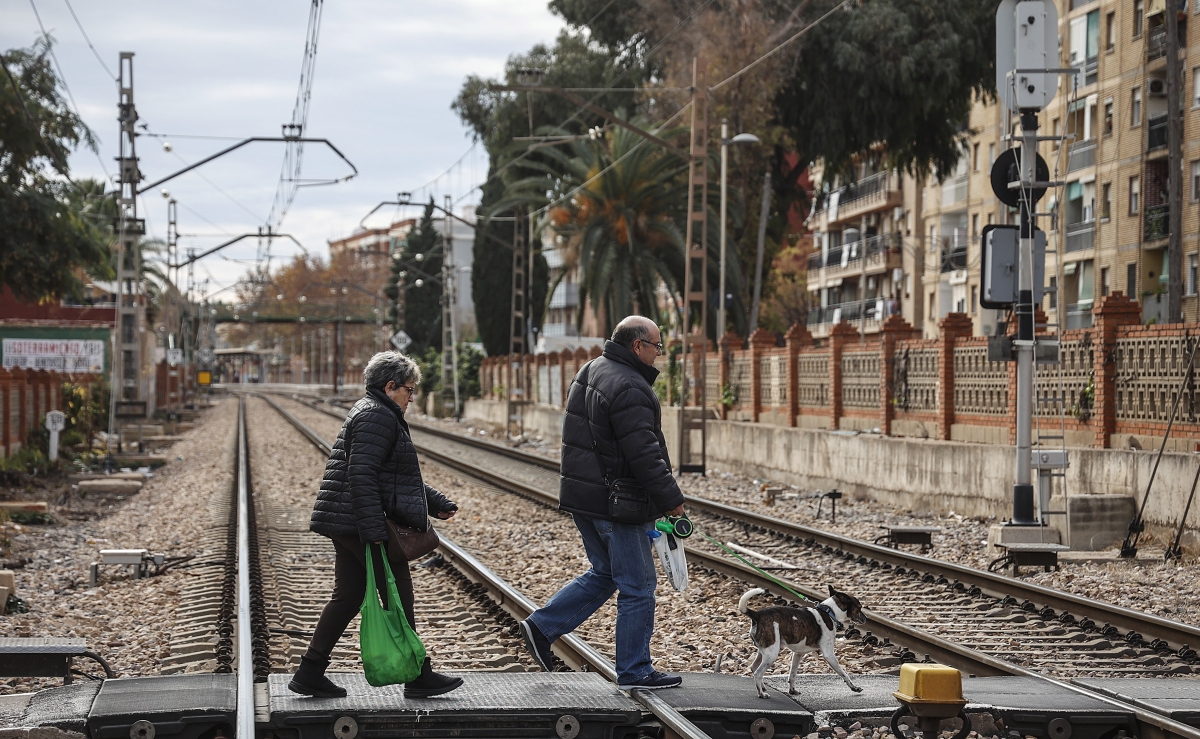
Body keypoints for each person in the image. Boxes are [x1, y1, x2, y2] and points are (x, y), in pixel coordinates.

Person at [519, 316, 686, 690]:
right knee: (638, 586)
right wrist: (672, 500)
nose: (660, 353)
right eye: (657, 346)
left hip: (587, 498)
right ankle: (635, 671)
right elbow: (643, 454)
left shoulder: (592, 368)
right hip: (619, 503)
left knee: (606, 573)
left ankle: (542, 627)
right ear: (636, 347)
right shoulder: (630, 386)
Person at [290, 350, 463, 699]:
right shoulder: (378, 417)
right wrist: (373, 534)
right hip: (358, 522)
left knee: (349, 597)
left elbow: (392, 476)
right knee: (399, 592)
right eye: (409, 390)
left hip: (347, 519)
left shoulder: (374, 411)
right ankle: (418, 675)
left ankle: (309, 672)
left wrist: (436, 503)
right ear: (390, 386)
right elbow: (362, 474)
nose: (412, 397)